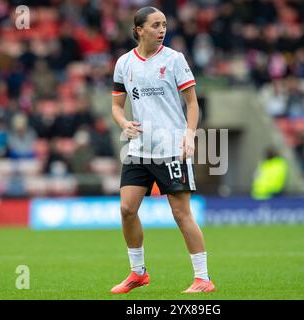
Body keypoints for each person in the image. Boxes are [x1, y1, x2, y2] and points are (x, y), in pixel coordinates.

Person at [110, 7, 215, 294]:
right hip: (138, 148)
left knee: (181, 214)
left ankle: (203, 278)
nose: (162, 29)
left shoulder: (174, 59)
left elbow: (192, 104)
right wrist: (123, 123)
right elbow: (117, 106)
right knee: (126, 209)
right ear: (139, 30)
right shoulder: (124, 63)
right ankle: (138, 273)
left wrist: (190, 135)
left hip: (170, 148)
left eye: (164, 24)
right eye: (155, 25)